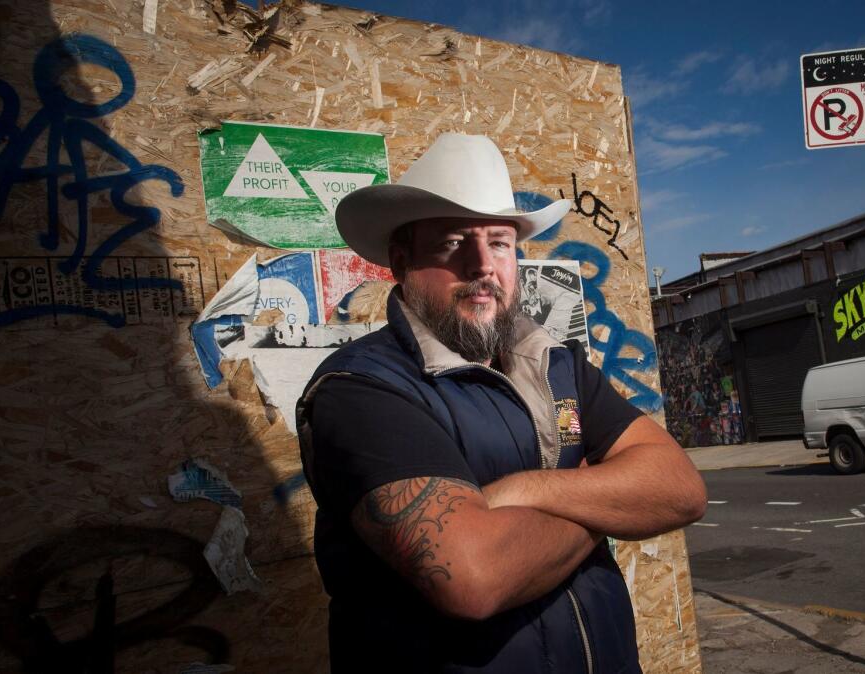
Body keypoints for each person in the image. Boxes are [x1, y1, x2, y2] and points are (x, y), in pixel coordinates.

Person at [296, 133, 707, 673]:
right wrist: (608, 500)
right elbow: (473, 578)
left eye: (499, 242)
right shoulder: (362, 390)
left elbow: (680, 489)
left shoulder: (556, 365)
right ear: (401, 261)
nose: (482, 264)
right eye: (452, 243)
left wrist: (527, 490)